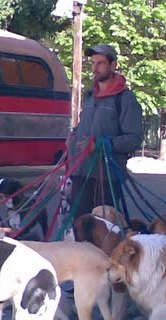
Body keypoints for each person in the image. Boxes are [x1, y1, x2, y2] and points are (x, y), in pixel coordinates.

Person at [67, 44, 143, 219]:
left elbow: (134, 139)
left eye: (100, 63)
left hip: (105, 177)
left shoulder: (125, 99)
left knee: (103, 232)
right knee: (79, 227)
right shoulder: (89, 96)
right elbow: (85, 125)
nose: (95, 68)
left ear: (113, 65)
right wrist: (73, 135)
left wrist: (102, 144)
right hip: (80, 172)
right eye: (93, 63)